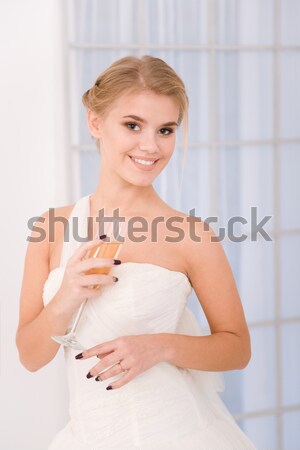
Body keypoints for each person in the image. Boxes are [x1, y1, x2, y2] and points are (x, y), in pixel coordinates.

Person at [16, 55, 257, 450]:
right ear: (95, 123)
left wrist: (158, 346)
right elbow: (30, 356)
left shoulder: (192, 236)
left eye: (166, 130)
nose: (151, 146)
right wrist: (66, 297)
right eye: (132, 125)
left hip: (179, 435)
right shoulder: (50, 228)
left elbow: (237, 347)